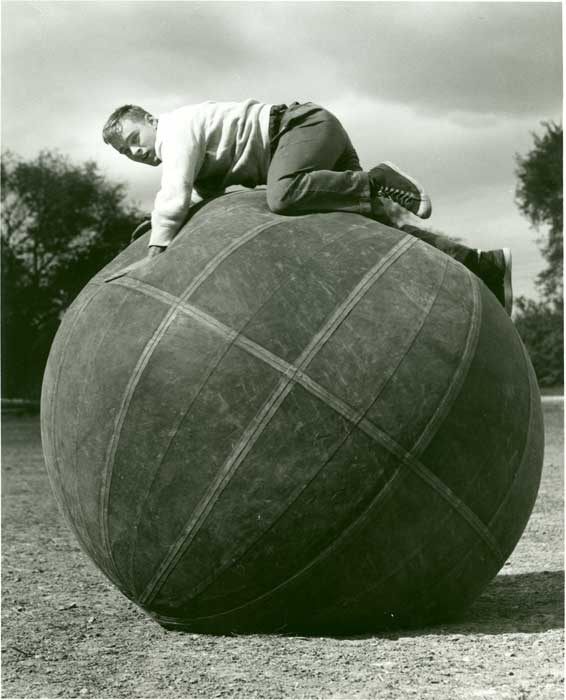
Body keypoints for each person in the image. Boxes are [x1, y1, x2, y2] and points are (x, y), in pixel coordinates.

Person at [102, 99, 512, 313]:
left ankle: (377, 180)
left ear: (150, 120)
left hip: (302, 127)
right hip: (311, 146)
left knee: (283, 194)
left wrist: (156, 250)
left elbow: (173, 193)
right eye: (126, 152)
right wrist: (154, 227)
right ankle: (482, 265)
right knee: (380, 233)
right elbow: (198, 201)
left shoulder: (177, 130)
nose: (136, 151)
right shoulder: (191, 148)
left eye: (134, 138)